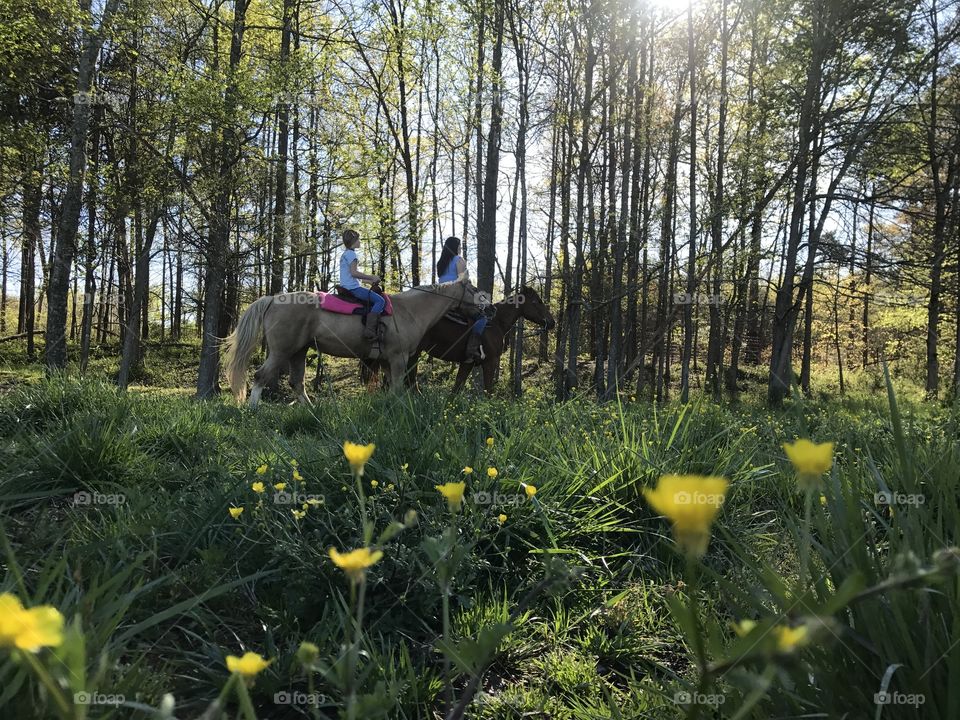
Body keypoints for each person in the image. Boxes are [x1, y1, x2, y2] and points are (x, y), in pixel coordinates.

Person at [437, 236, 488, 362]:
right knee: (482, 317)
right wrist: (481, 298)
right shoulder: (459, 260)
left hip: (439, 296)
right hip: (456, 295)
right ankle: (472, 349)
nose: (460, 248)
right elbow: (463, 282)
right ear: (455, 247)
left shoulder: (441, 263)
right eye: (459, 246)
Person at [340, 228, 384, 341]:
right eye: (358, 239)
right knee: (380, 301)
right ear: (354, 241)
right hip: (353, 289)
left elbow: (351, 276)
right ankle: (369, 330)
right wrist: (372, 277)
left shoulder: (346, 254)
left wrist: (369, 282)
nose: (360, 242)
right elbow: (354, 273)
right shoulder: (352, 255)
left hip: (348, 286)